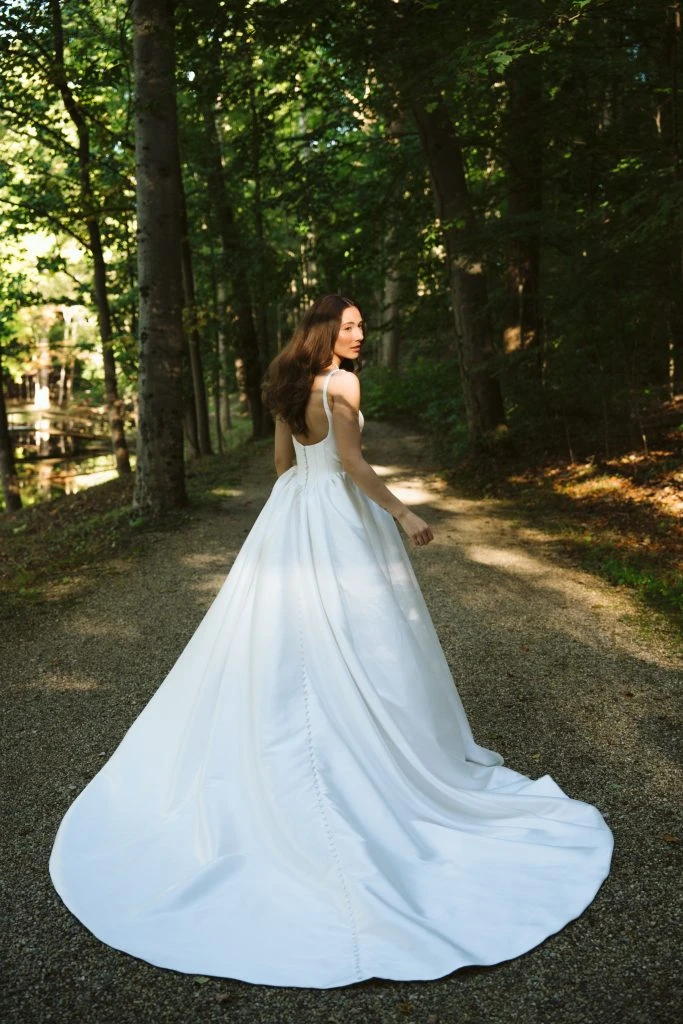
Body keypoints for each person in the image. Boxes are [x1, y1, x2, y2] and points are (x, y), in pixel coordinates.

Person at [49, 294, 613, 990]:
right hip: (340, 517)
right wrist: (404, 513)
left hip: (293, 514)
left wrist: (299, 513)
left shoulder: (286, 383)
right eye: (348, 325)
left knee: (290, 635)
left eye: (361, 325)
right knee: (362, 635)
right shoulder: (340, 384)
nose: (359, 334)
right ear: (324, 331)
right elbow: (349, 463)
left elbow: (286, 468)